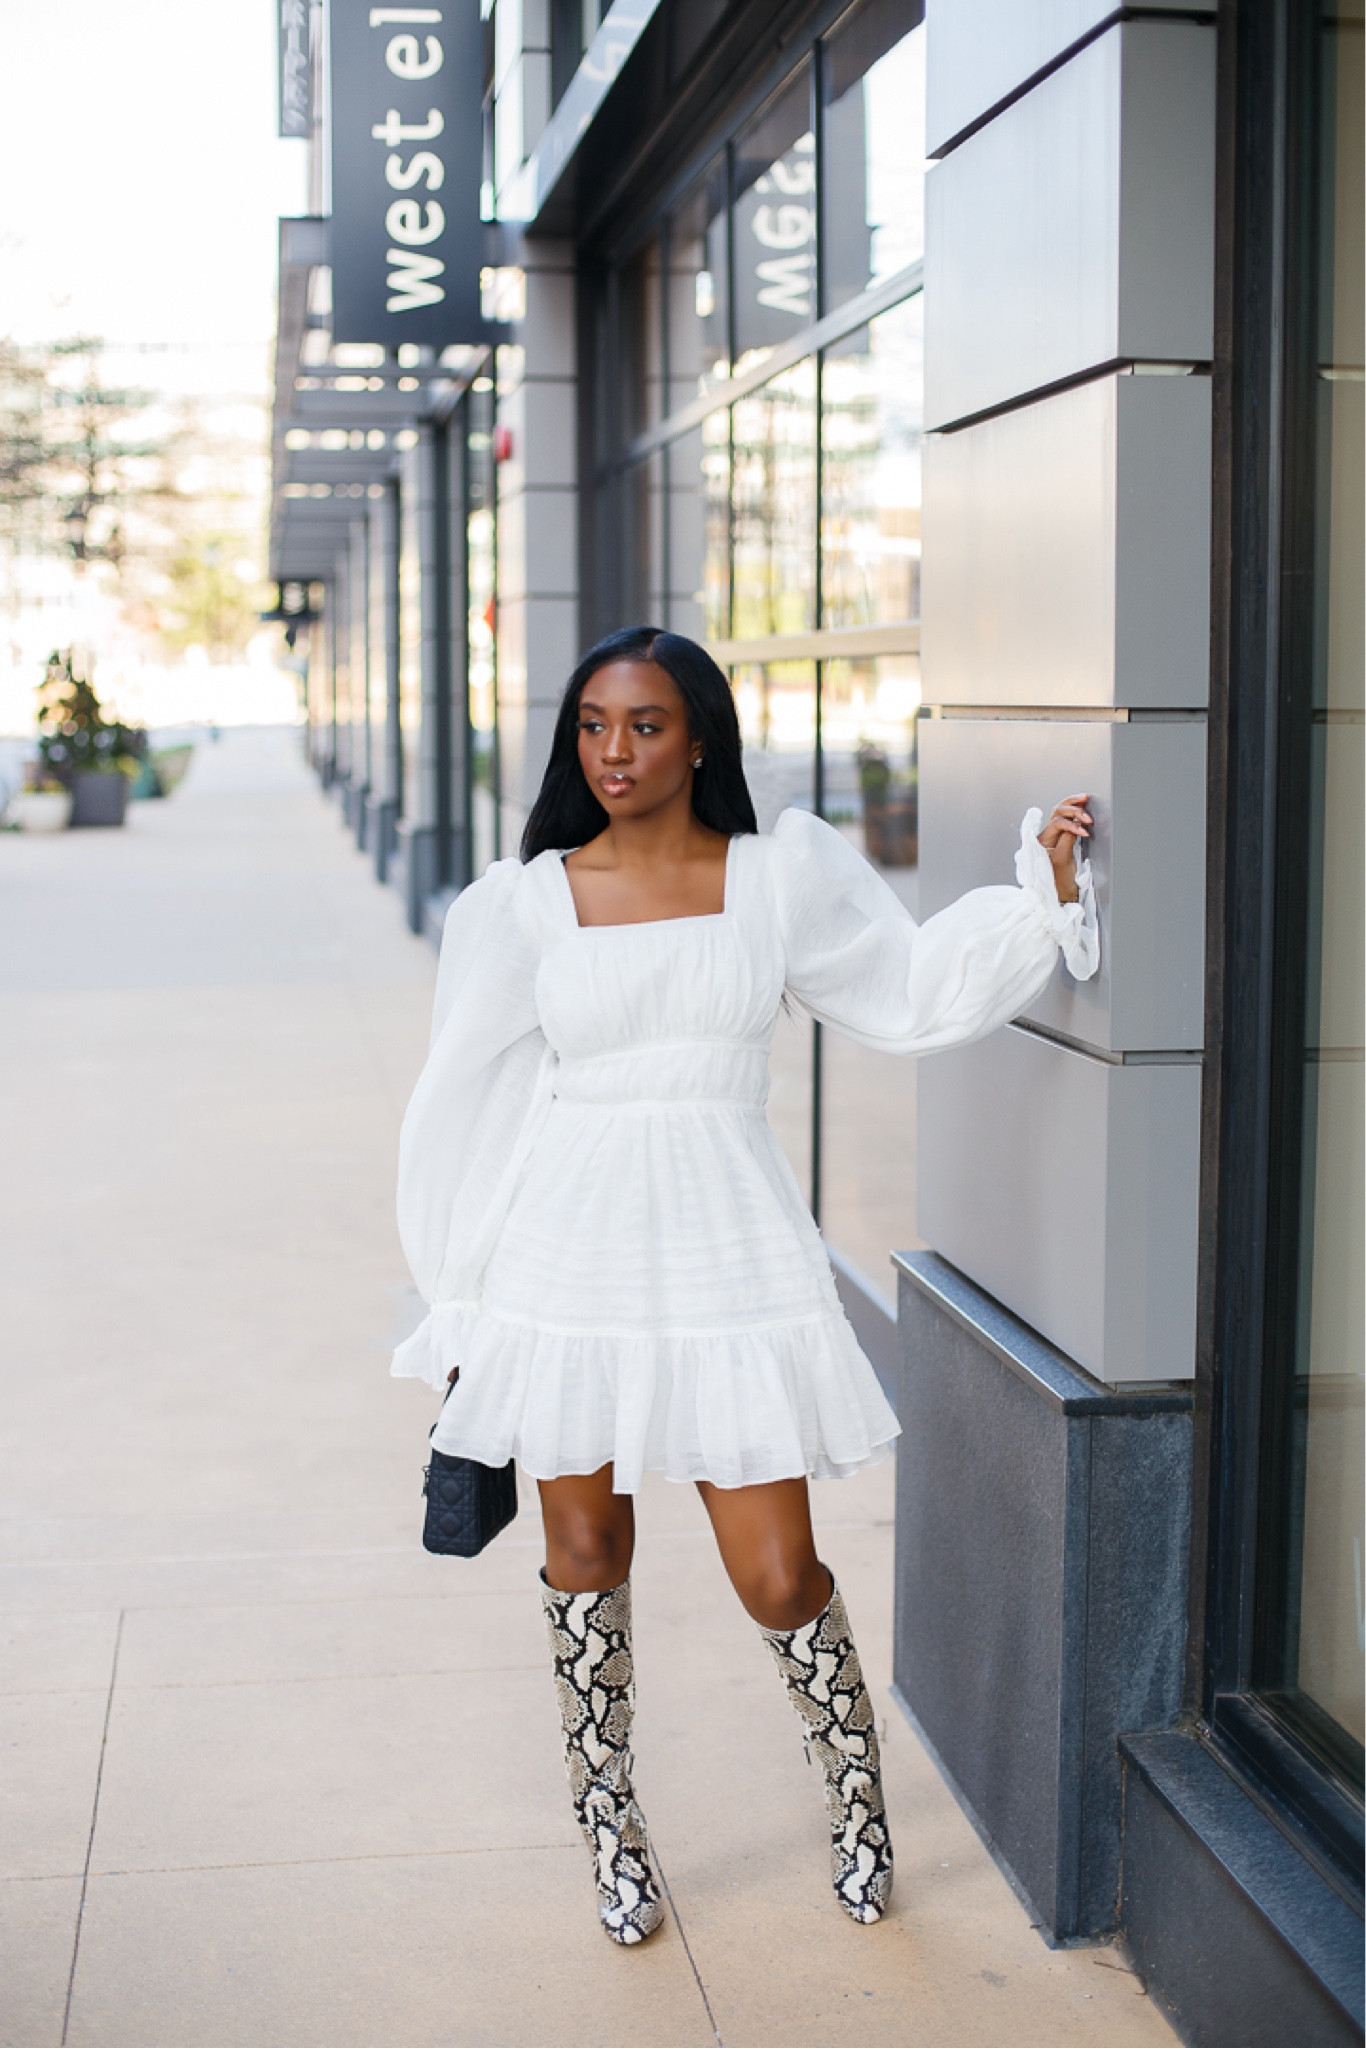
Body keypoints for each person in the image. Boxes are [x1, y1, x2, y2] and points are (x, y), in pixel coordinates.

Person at [394, 626, 1097, 1944]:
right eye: (594, 725)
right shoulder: (524, 901)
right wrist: (460, 1302)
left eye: (646, 724)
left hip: (725, 1247)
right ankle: (611, 1828)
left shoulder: (775, 880)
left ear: (700, 736)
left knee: (777, 1571)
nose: (614, 751)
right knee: (582, 1553)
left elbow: (899, 993)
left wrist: (1036, 896)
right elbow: (462, 1106)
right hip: (565, 1253)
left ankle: (854, 1799)